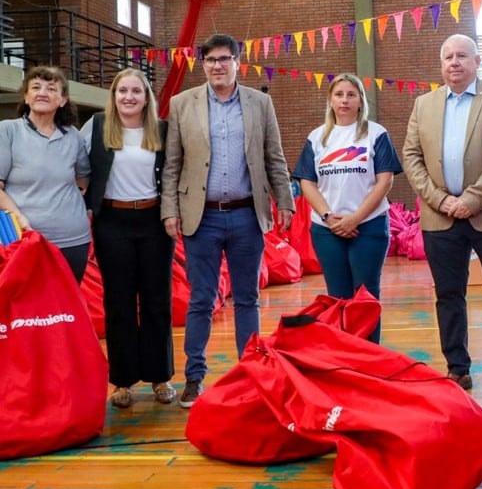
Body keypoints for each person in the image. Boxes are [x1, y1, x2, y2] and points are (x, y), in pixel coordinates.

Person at [161, 33, 295, 408]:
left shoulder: (260, 103)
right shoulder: (182, 104)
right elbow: (171, 166)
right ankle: (194, 376)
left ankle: (250, 374)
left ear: (238, 62)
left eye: (224, 59)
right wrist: (169, 209)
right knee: (201, 299)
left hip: (246, 217)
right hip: (200, 219)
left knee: (248, 298)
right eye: (210, 60)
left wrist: (285, 201)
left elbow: (275, 158)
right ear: (202, 64)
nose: (217, 66)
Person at [403, 33, 482, 402]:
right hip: (439, 217)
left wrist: (472, 200)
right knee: (448, 295)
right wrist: (441, 200)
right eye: (447, 57)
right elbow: (412, 157)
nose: (454, 62)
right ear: (441, 64)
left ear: (477, 61)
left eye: (461, 56)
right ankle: (457, 369)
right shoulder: (424, 104)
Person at [81, 68, 176, 409]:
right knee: (119, 303)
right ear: (114, 94)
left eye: (136, 91)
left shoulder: (162, 130)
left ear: (146, 97)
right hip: (112, 222)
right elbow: (77, 167)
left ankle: (160, 376)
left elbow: (174, 172)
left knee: (156, 300)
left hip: (153, 222)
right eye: (123, 91)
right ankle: (122, 381)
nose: (129, 97)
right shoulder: (95, 127)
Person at [292, 73, 403, 343]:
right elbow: (307, 182)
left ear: (360, 101)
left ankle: (368, 357)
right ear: (330, 100)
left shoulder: (376, 134)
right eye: (339, 94)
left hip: (369, 226)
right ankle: (343, 357)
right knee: (337, 296)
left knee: (366, 296)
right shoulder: (317, 138)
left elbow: (384, 181)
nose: (344, 100)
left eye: (351, 94)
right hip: (327, 230)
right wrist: (330, 218)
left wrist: (355, 218)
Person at [0, 66, 90, 282]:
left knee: (66, 309)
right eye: (36, 87)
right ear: (26, 96)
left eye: (51, 88)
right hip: (23, 239)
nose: (42, 93)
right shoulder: (8, 131)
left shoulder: (74, 136)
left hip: (73, 240)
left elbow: (83, 178)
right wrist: (20, 219)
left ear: (62, 99)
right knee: (26, 311)